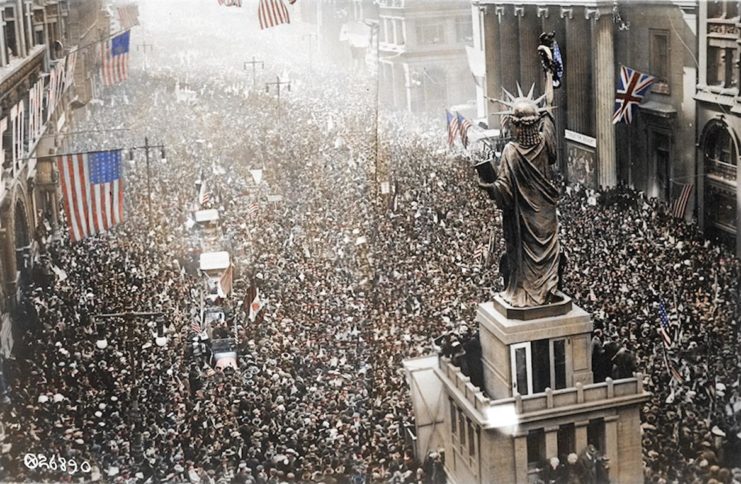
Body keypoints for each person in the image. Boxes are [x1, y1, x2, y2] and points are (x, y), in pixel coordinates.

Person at [477, 68, 560, 307]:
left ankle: (527, 292)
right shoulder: (546, 144)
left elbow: (504, 191)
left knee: (523, 260)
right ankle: (548, 289)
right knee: (547, 259)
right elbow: (550, 107)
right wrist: (547, 72)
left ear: (516, 125)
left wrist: (488, 186)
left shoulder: (510, 151)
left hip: (523, 221)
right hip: (546, 218)